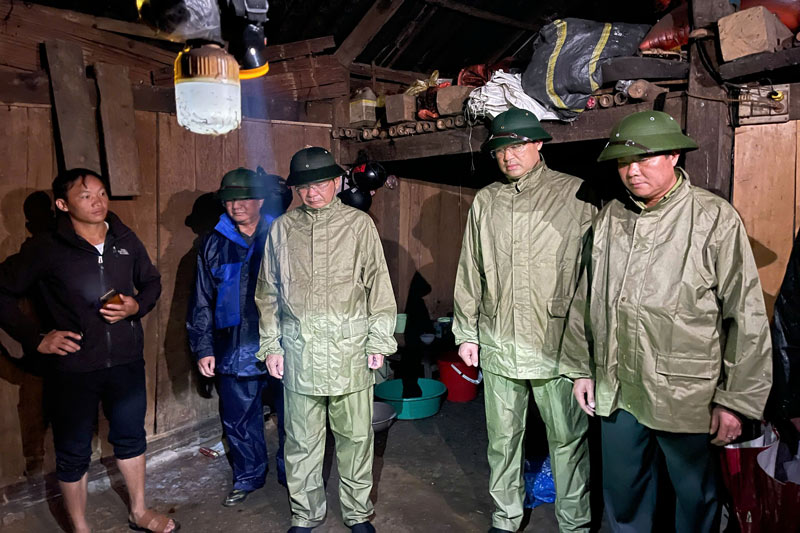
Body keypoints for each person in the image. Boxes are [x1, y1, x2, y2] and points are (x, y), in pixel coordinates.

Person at [562, 110, 773, 532]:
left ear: (675, 156)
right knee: (623, 493)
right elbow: (586, 298)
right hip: (618, 386)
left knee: (694, 496)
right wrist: (580, 368)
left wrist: (735, 401)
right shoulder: (610, 220)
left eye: (644, 159)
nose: (632, 171)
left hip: (685, 392)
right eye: (624, 162)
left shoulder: (713, 218)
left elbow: (745, 316)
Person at [0, 168, 177, 533]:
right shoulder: (45, 248)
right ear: (63, 204)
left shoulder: (125, 238)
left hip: (125, 361)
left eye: (101, 193)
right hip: (74, 368)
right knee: (73, 450)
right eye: (85, 196)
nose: (97, 202)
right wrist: (36, 338)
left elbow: (152, 282)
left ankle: (139, 511)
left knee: (131, 437)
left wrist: (136, 306)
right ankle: (80, 528)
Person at [453, 107, 597, 533]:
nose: (508, 156)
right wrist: (467, 332)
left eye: (517, 146)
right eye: (500, 149)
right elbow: (470, 270)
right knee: (502, 442)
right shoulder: (486, 201)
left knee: (568, 442)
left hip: (557, 344)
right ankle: (506, 516)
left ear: (538, 144)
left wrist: (587, 347)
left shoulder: (577, 195)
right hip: (499, 341)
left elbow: (592, 276)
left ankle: (575, 523)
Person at [256, 147, 397, 533]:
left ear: (337, 182)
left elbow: (378, 289)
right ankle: (305, 514)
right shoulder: (282, 230)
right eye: (304, 186)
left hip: (349, 352)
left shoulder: (359, 226)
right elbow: (267, 294)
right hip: (300, 353)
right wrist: (271, 346)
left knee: (355, 440)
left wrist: (378, 341)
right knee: (300, 442)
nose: (312, 192)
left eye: (320, 183)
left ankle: (356, 513)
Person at [187, 168, 286, 507]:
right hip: (233, 347)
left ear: (260, 199)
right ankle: (248, 476)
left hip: (285, 345)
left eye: (245, 197)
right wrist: (202, 347)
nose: (237, 205)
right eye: (230, 199)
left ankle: (296, 476)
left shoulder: (283, 233)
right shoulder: (211, 243)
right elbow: (201, 300)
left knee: (295, 417)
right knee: (239, 419)